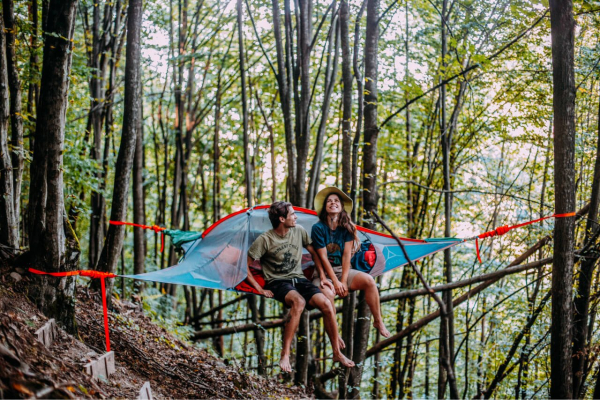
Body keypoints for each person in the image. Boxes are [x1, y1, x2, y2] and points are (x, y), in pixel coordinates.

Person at [245, 201, 355, 373]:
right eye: (292, 214)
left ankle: (336, 353)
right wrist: (259, 289)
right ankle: (285, 353)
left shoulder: (299, 231)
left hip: (299, 278)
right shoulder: (265, 240)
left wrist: (323, 277)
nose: (296, 217)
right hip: (278, 282)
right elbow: (245, 266)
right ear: (282, 219)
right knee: (299, 302)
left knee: (326, 304)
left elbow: (315, 253)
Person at [311, 187, 391, 338]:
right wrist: (335, 282)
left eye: (336, 201)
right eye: (329, 201)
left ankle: (378, 321)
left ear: (341, 207)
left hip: (343, 270)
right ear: (325, 207)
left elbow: (347, 256)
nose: (332, 203)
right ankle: (335, 336)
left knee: (369, 281)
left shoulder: (347, 228)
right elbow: (322, 257)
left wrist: (343, 281)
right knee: (327, 297)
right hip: (323, 274)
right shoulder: (318, 228)